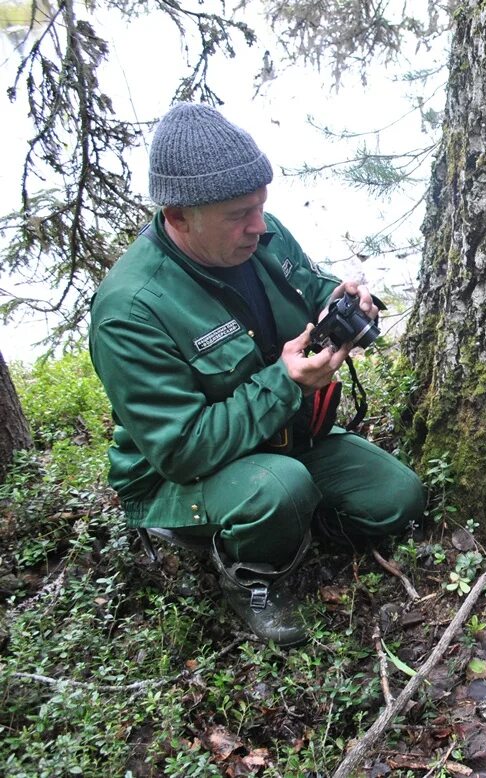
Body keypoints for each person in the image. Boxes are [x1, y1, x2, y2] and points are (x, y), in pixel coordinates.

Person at [89, 102, 425, 646]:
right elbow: (182, 450)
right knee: (281, 489)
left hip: (289, 437)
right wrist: (286, 382)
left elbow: (313, 292)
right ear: (177, 216)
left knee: (398, 499)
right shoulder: (130, 311)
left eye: (261, 206)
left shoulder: (261, 236)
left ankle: (289, 519)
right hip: (179, 480)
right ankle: (251, 576)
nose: (258, 225)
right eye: (238, 214)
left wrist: (345, 302)